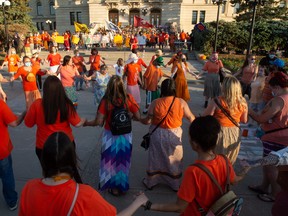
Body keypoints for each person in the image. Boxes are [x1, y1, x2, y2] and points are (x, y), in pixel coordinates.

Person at [19, 132, 148, 216]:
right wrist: (137, 202)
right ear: (72, 159)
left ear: (44, 160)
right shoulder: (84, 195)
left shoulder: (28, 189)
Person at [140, 116, 246, 215]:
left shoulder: (193, 172)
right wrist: (244, 171)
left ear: (195, 144)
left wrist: (149, 204)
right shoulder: (224, 160)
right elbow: (234, 180)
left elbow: (179, 207)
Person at [84, 75, 140, 196]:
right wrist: (130, 115)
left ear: (109, 87)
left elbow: (98, 122)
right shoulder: (128, 98)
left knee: (109, 162)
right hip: (125, 135)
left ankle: (112, 187)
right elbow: (138, 116)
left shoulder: (106, 101)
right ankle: (122, 186)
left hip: (110, 136)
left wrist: (86, 123)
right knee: (123, 161)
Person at [24, 76, 86, 182]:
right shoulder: (66, 104)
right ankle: (76, 188)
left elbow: (28, 124)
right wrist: (85, 120)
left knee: (49, 173)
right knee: (70, 168)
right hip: (65, 144)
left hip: (44, 146)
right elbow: (77, 123)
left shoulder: (37, 104)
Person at [140, 79, 195, 191]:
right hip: (175, 134)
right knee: (174, 159)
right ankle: (174, 184)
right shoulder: (181, 102)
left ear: (163, 89)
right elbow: (191, 118)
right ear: (174, 89)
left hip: (158, 134)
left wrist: (139, 119)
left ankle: (151, 182)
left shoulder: (155, 102)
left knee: (156, 158)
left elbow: (148, 121)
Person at [248, 72, 288, 202]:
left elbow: (261, 118)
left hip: (275, 138)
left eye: (271, 88)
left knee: (271, 167)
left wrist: (247, 109)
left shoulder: (279, 100)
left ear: (277, 86)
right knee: (268, 164)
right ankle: (264, 186)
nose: (271, 91)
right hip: (282, 138)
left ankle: (274, 194)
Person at [203, 76, 248, 164]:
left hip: (219, 132)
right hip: (234, 132)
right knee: (229, 160)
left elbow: (206, 117)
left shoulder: (217, 101)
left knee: (216, 159)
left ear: (225, 87)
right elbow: (244, 120)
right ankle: (226, 175)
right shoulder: (242, 102)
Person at [0, 99, 25, 211]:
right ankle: (11, 201)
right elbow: (14, 123)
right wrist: (23, 115)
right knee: (7, 175)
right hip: (2, 150)